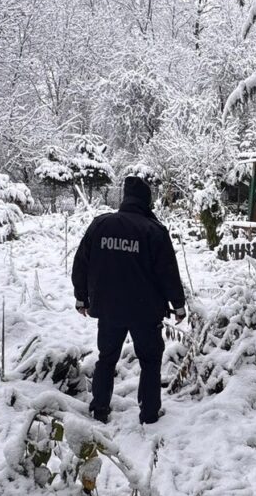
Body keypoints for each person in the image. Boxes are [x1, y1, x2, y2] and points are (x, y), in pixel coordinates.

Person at [72, 175, 186, 425]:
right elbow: (168, 271)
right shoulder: (154, 231)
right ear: (146, 201)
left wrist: (82, 298)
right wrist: (178, 304)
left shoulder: (100, 225)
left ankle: (99, 408)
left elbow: (81, 263)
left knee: (106, 358)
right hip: (146, 311)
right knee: (150, 360)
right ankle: (149, 413)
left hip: (109, 308)